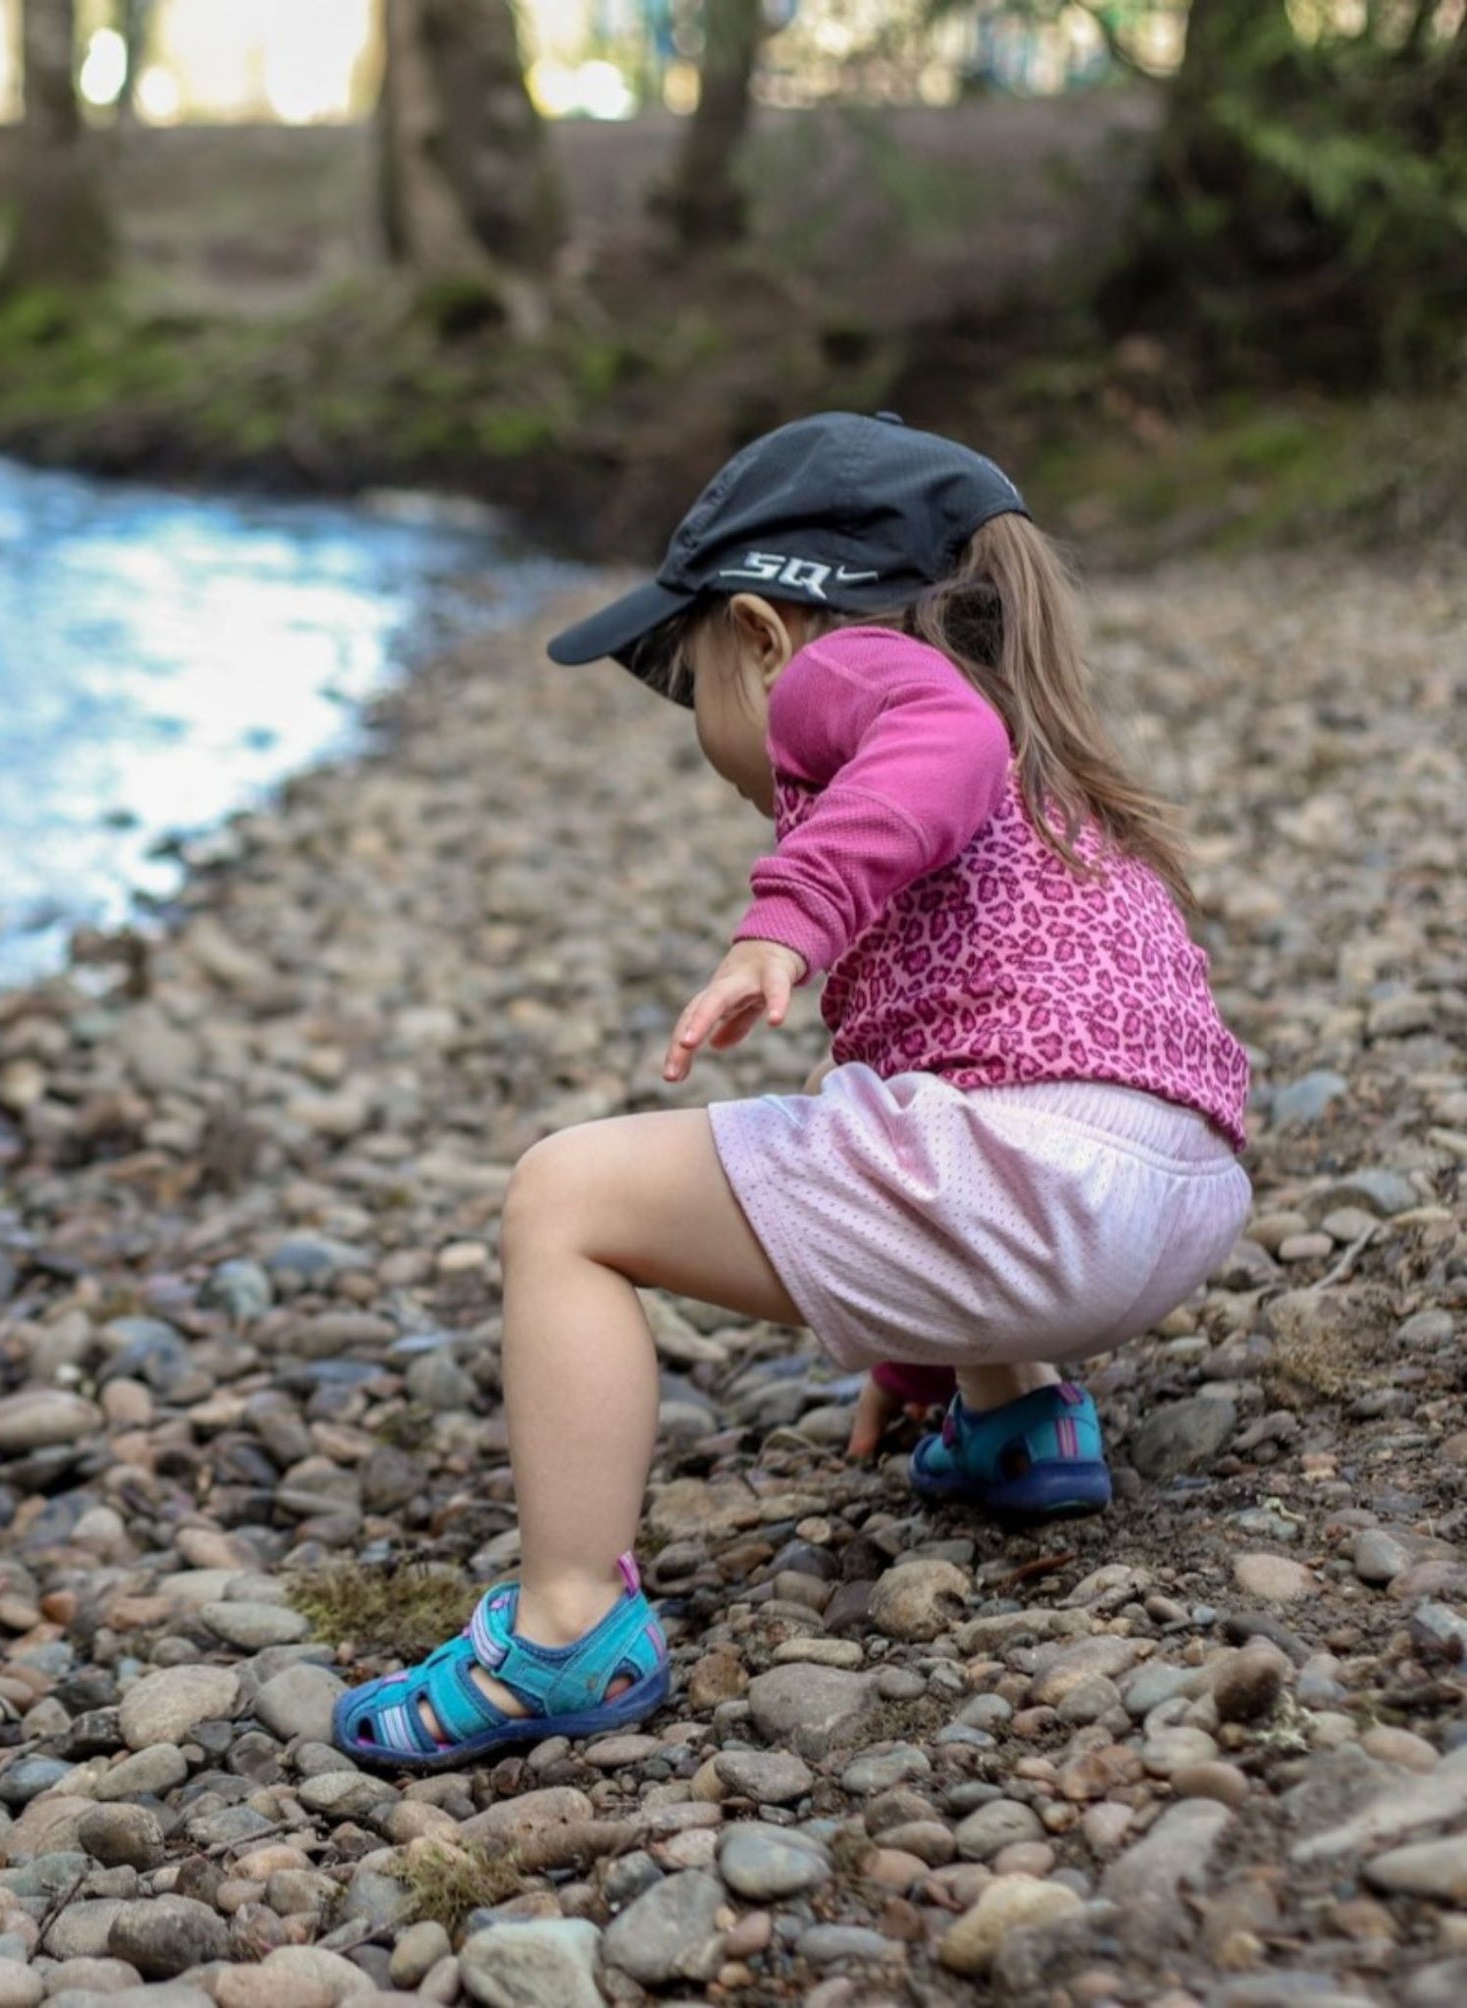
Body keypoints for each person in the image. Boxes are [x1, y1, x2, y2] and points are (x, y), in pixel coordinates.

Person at [332, 411, 1251, 1772]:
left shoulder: (856, 676)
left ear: (762, 636)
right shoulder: (1055, 788)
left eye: (690, 674)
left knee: (564, 1198)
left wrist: (790, 916)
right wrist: (916, 1353)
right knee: (887, 1095)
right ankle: (1019, 1419)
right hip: (1180, 1200)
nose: (698, 717)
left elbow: (932, 732)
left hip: (1033, 1186)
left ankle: (565, 1628)